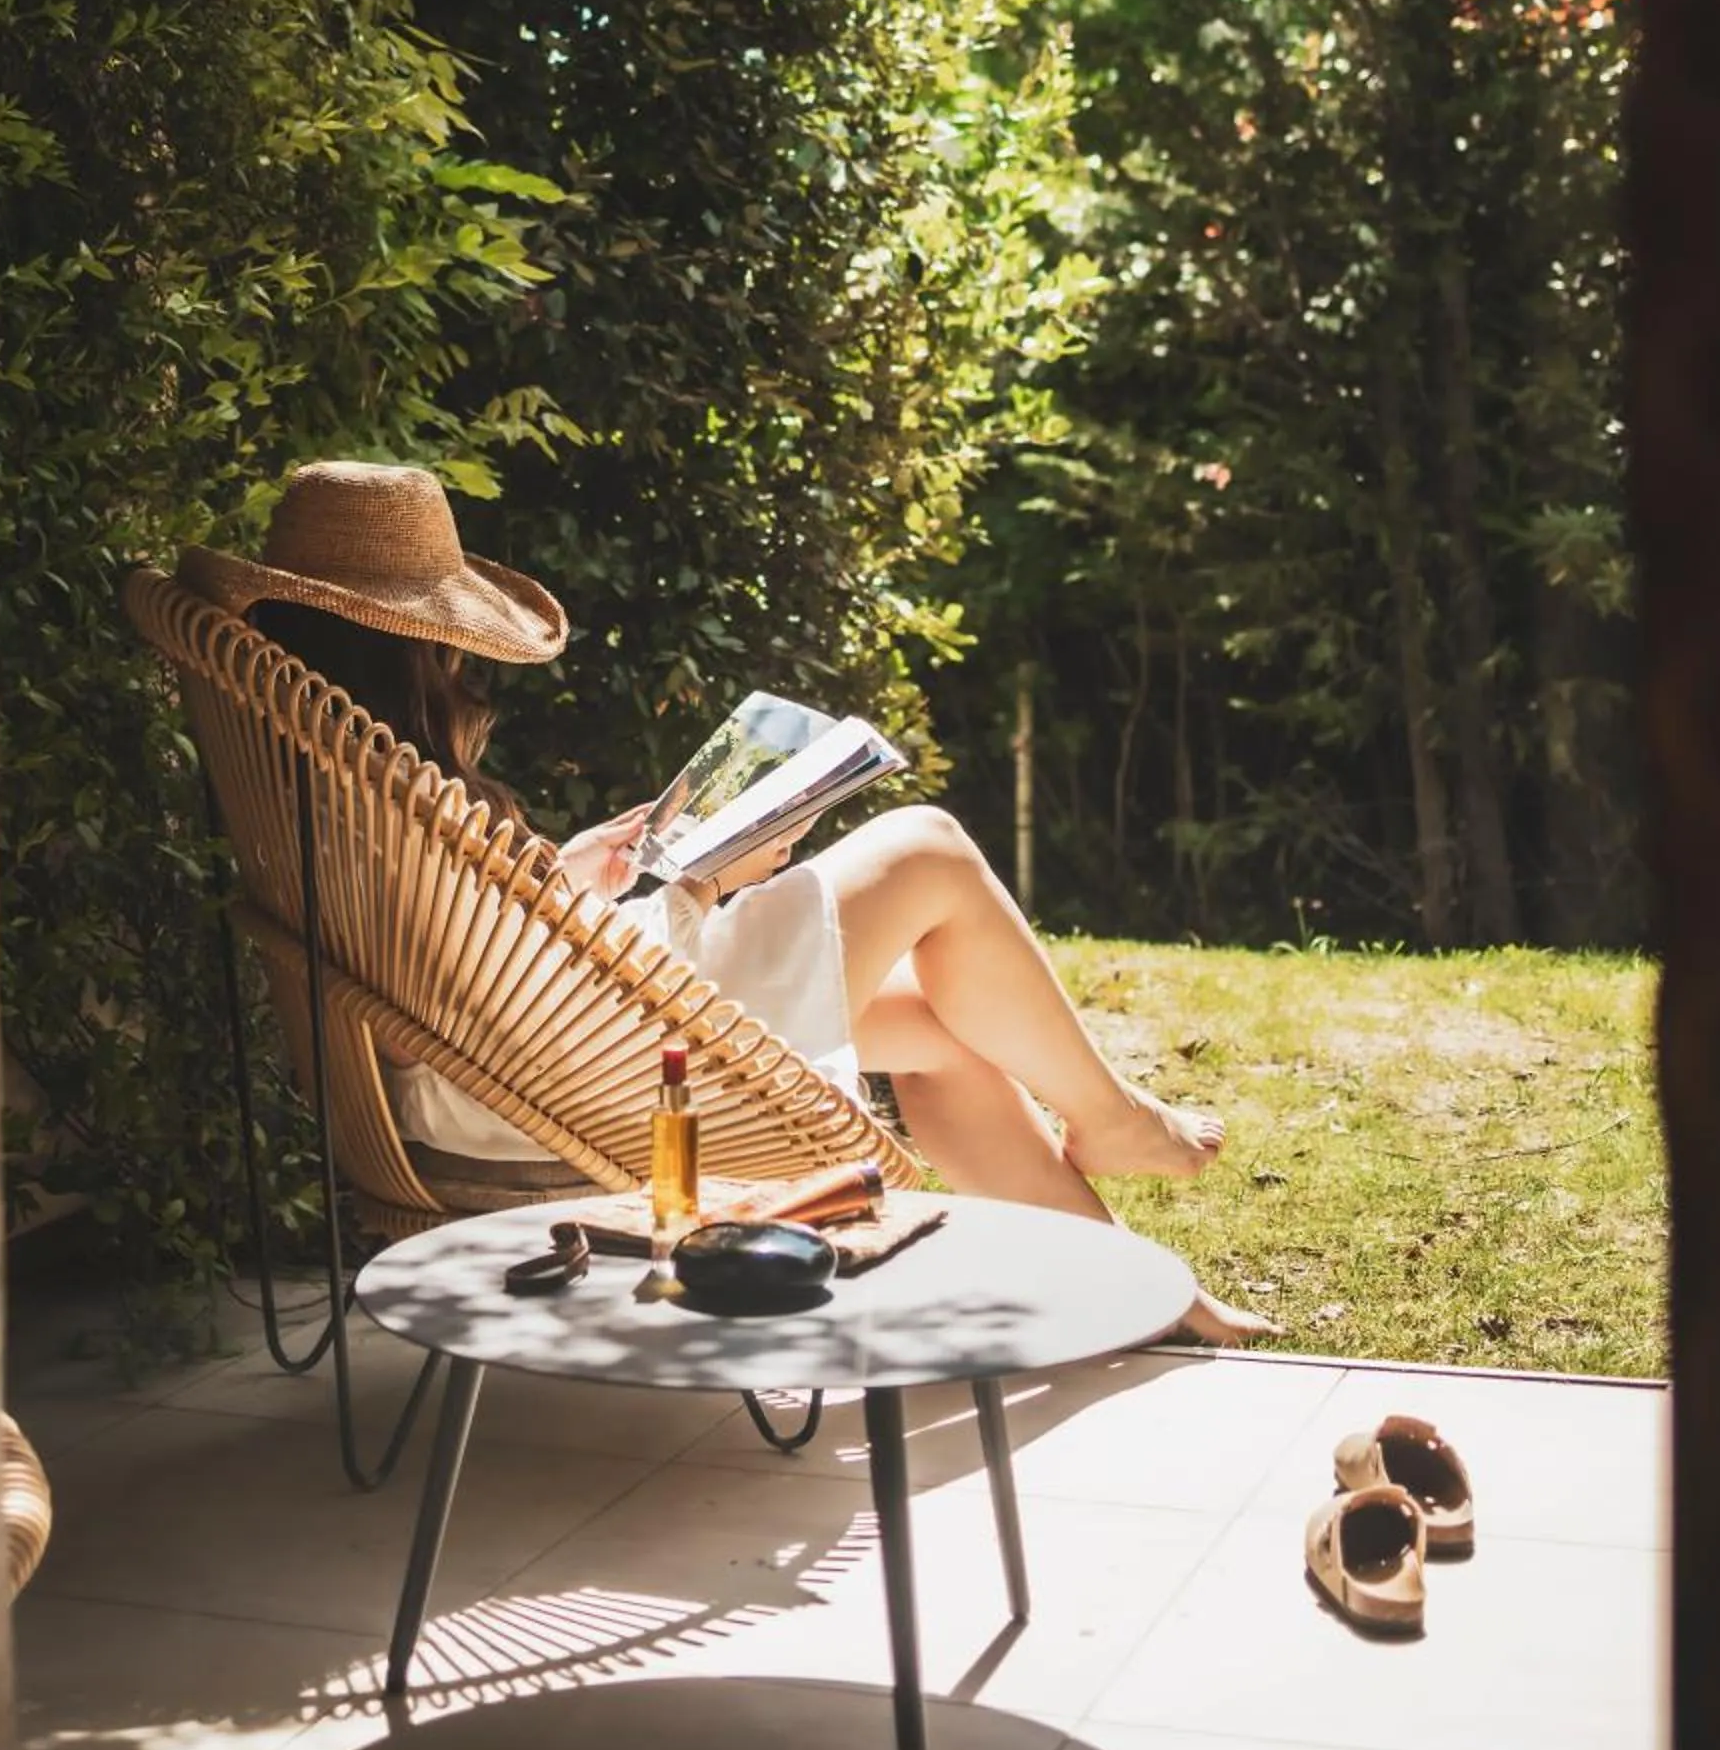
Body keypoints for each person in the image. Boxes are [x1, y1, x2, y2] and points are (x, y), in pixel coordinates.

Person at [183, 461, 1272, 1343]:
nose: (473, 687)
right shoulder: (390, 794)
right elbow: (471, 997)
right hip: (568, 1078)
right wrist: (699, 883)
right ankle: (1114, 1119)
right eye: (455, 661)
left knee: (936, 1028)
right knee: (926, 848)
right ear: (408, 655)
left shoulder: (320, 779)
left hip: (525, 1052)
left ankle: (1141, 1289)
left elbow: (460, 963)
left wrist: (576, 871)